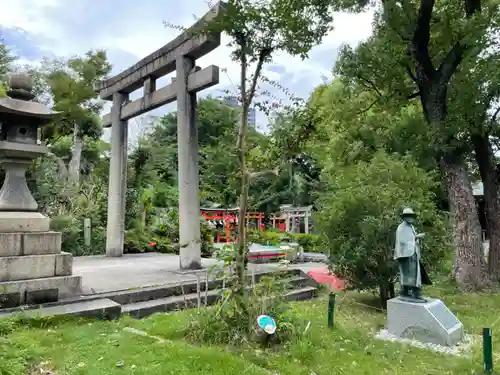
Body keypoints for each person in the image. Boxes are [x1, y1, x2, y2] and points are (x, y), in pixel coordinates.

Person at [394, 207, 432, 301]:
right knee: (410, 275)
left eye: (411, 216)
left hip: (413, 255)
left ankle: (407, 292)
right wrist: (416, 237)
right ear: (404, 217)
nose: (410, 218)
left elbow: (410, 239)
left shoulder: (410, 227)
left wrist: (416, 238)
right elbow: (402, 241)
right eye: (408, 216)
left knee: (414, 274)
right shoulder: (401, 228)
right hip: (406, 256)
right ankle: (413, 293)